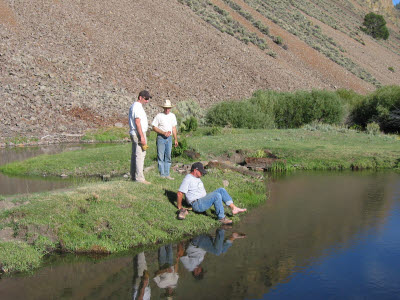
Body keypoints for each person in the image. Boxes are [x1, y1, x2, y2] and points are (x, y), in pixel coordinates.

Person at [176, 162, 247, 224]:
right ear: (195, 170)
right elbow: (179, 193)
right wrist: (180, 207)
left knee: (221, 190)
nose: (202, 173)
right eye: (201, 171)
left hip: (202, 200)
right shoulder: (188, 179)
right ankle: (221, 218)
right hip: (197, 204)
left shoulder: (196, 178)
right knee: (216, 195)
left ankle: (233, 208)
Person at [180, 229, 245, 280]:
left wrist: (180, 240)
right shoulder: (199, 262)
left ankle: (221, 229)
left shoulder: (189, 266)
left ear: (196, 273)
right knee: (222, 250)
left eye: (201, 271)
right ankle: (232, 237)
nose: (202, 269)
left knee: (217, 252)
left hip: (197, 242)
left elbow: (181, 254)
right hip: (203, 243)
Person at [151, 99, 178, 180]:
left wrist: (175, 139)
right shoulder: (159, 116)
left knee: (168, 156)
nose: (167, 109)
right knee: (160, 156)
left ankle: (167, 174)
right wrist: (163, 133)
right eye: (166, 108)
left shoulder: (172, 116)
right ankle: (162, 174)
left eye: (168, 108)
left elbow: (174, 127)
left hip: (169, 138)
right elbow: (154, 127)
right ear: (163, 108)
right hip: (161, 137)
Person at [129, 90, 151, 184]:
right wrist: (141, 136)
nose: (147, 101)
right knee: (140, 155)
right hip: (138, 133)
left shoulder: (136, 106)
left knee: (135, 154)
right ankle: (140, 178)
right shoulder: (137, 106)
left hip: (137, 133)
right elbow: (137, 122)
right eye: (146, 99)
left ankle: (133, 176)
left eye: (148, 99)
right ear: (140, 97)